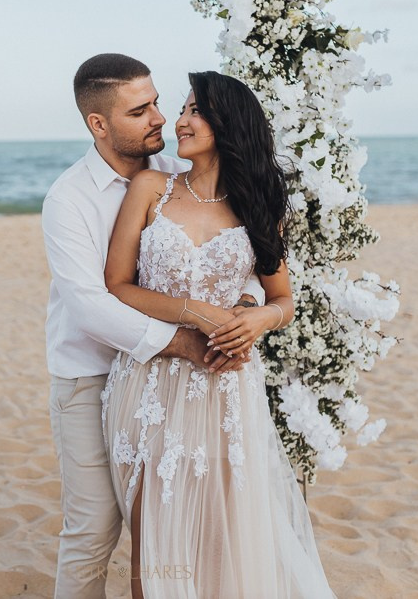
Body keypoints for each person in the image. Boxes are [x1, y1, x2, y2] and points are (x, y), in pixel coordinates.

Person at [101, 71, 335, 598]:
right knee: (154, 538)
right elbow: (117, 286)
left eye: (195, 111)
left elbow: (284, 302)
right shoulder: (151, 188)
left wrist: (257, 318)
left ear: (228, 124)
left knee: (220, 530)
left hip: (226, 390)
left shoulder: (257, 205)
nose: (180, 121)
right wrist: (195, 312)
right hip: (150, 385)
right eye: (182, 109)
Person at [42, 54, 265, 598]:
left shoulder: (171, 176)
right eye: (140, 111)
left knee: (184, 522)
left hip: (176, 383)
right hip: (89, 377)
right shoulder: (68, 200)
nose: (161, 119)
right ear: (99, 124)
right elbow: (93, 304)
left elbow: (231, 255)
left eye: (158, 102)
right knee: (94, 530)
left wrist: (243, 305)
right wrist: (187, 340)